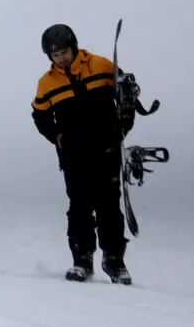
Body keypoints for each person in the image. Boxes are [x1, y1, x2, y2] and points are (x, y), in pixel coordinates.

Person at [31, 24, 135, 285]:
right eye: (56, 55)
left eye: (64, 52)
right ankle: (82, 260)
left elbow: (128, 93)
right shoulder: (47, 83)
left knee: (109, 205)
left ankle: (114, 261)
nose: (62, 58)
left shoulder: (99, 66)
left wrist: (127, 99)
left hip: (106, 147)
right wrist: (55, 135)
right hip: (74, 154)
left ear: (73, 47)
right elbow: (40, 114)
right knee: (79, 206)